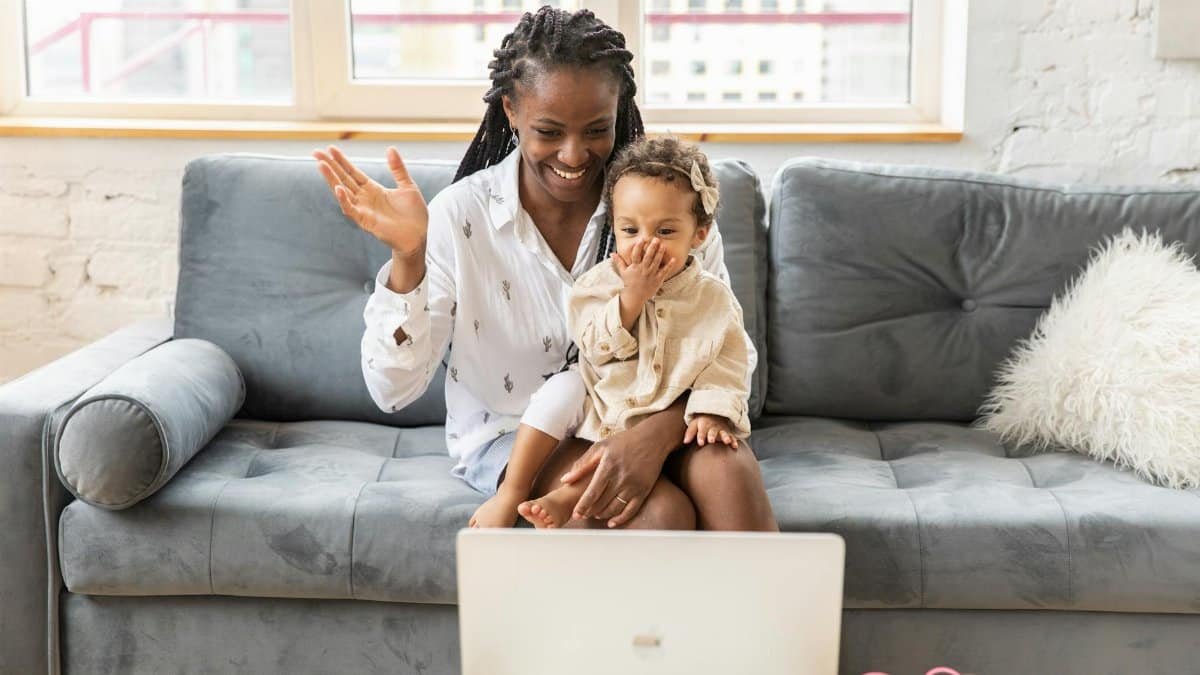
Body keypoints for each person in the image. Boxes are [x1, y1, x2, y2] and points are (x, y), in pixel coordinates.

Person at [314, 5, 777, 532]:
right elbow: (391, 391)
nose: (575, 155)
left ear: (619, 108)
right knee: (658, 513)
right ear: (510, 109)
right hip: (517, 432)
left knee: (728, 472)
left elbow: (720, 343)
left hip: (656, 410)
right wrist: (409, 256)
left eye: (596, 129)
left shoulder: (667, 212)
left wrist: (659, 432)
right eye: (549, 131)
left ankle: (770, 617)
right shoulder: (462, 215)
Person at [469, 136, 753, 529]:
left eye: (666, 232)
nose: (646, 245)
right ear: (614, 228)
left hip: (673, 421)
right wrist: (631, 300)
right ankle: (532, 492)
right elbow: (593, 347)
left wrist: (711, 412)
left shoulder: (712, 298)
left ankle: (756, 582)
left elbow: (729, 362)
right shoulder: (600, 284)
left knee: (722, 462)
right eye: (630, 230)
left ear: (699, 234)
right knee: (562, 393)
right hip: (605, 414)